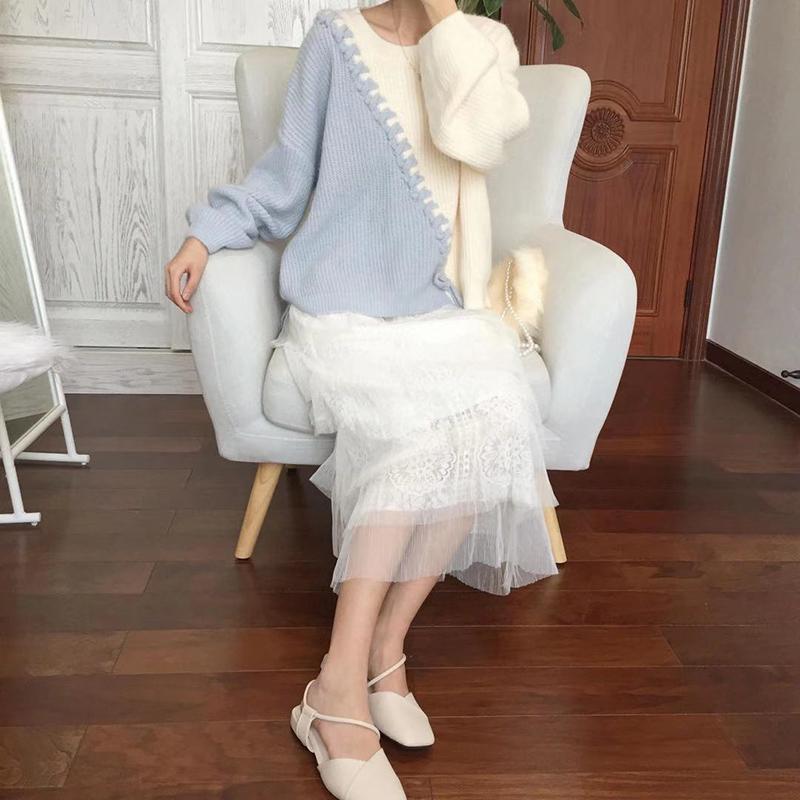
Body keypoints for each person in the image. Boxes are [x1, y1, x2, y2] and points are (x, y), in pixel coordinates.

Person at [165, 1, 558, 797]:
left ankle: (385, 651)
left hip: (436, 311)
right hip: (338, 308)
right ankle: (334, 689)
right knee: (410, 434)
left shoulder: (483, 43)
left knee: (496, 415)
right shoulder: (335, 41)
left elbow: (477, 136)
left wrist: (443, 17)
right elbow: (287, 173)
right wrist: (208, 231)